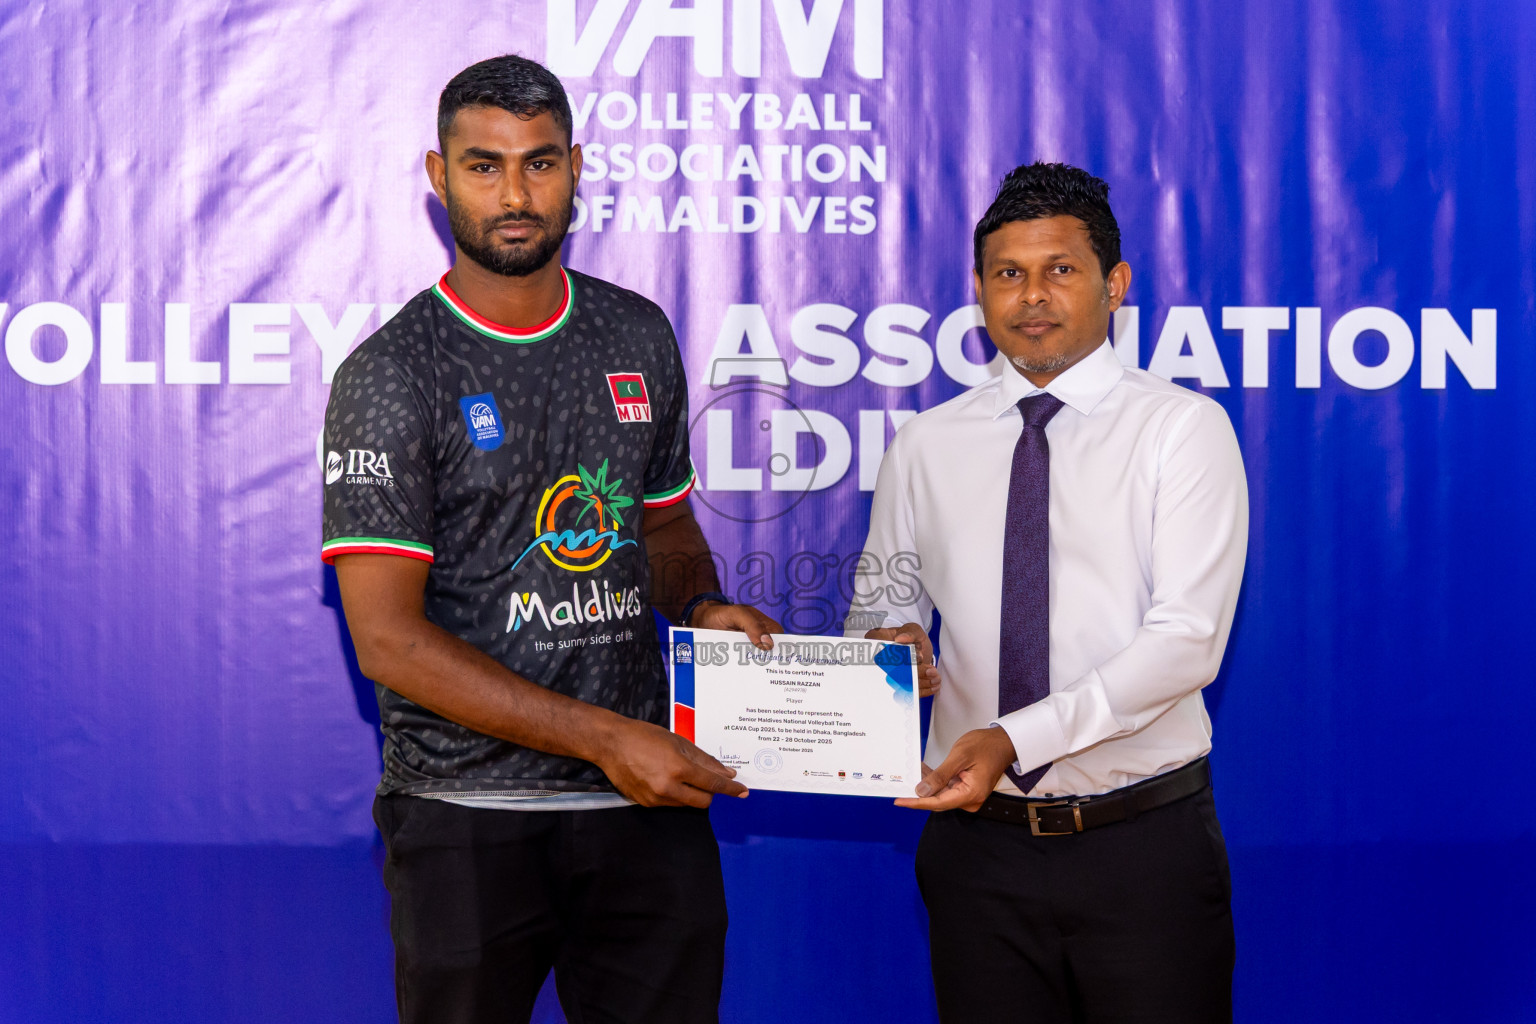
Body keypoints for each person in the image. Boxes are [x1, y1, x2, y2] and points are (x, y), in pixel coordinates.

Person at [321, 54, 784, 1024]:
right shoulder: (391, 375)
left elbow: (660, 523)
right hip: (466, 822)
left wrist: (700, 601)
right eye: (484, 166)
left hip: (641, 811)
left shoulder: (636, 335)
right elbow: (387, 642)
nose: (516, 193)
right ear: (438, 178)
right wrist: (605, 737)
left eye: (539, 163)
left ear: (576, 167)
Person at [850, 162, 1249, 1022]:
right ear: (980, 291)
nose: (1032, 296)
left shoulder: (1181, 430)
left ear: (1115, 285)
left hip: (1141, 850)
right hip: (976, 855)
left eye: (1060, 270)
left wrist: (1011, 736)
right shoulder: (923, 444)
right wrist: (889, 651)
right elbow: (882, 603)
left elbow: (1187, 640)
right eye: (1008, 274)